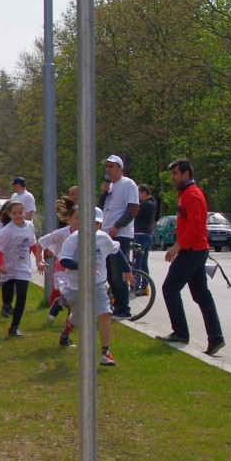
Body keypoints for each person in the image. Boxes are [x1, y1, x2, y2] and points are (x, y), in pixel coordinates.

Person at [157, 158, 225, 356]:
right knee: (201, 294)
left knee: (170, 288)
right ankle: (216, 338)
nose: (172, 177)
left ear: (186, 174)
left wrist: (177, 247)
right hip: (195, 250)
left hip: (193, 250)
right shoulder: (185, 194)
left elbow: (196, 226)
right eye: (171, 173)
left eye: (175, 173)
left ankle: (180, 333)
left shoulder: (192, 195)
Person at [57, 206, 129, 366]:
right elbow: (64, 260)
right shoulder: (74, 238)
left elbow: (116, 251)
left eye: (96, 224)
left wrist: (127, 269)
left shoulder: (103, 238)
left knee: (104, 313)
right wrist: (82, 266)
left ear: (100, 225)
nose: (92, 227)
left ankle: (105, 352)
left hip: (97, 283)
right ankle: (66, 330)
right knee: (78, 317)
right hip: (76, 285)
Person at [0, 200, 45, 336]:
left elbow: (33, 244)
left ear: (24, 212)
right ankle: (6, 305)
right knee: (8, 295)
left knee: (22, 295)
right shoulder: (6, 231)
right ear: (9, 214)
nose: (18, 215)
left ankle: (14, 327)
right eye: (14, 213)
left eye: (20, 212)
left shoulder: (29, 226)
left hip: (23, 267)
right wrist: (1, 265)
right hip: (8, 267)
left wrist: (39, 260)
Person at [100, 155, 139, 320]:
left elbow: (133, 208)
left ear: (120, 168)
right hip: (106, 234)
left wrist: (117, 226)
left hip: (120, 234)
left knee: (118, 273)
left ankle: (124, 309)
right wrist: (103, 194)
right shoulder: (110, 187)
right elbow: (101, 209)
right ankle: (117, 307)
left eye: (111, 166)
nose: (108, 169)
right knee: (109, 273)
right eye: (107, 166)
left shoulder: (128, 184)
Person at [132, 183, 157, 295]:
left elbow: (134, 213)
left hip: (142, 235)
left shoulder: (147, 204)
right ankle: (144, 286)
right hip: (145, 234)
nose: (136, 195)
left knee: (137, 261)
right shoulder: (150, 203)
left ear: (144, 193)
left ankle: (136, 286)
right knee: (143, 261)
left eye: (138, 192)